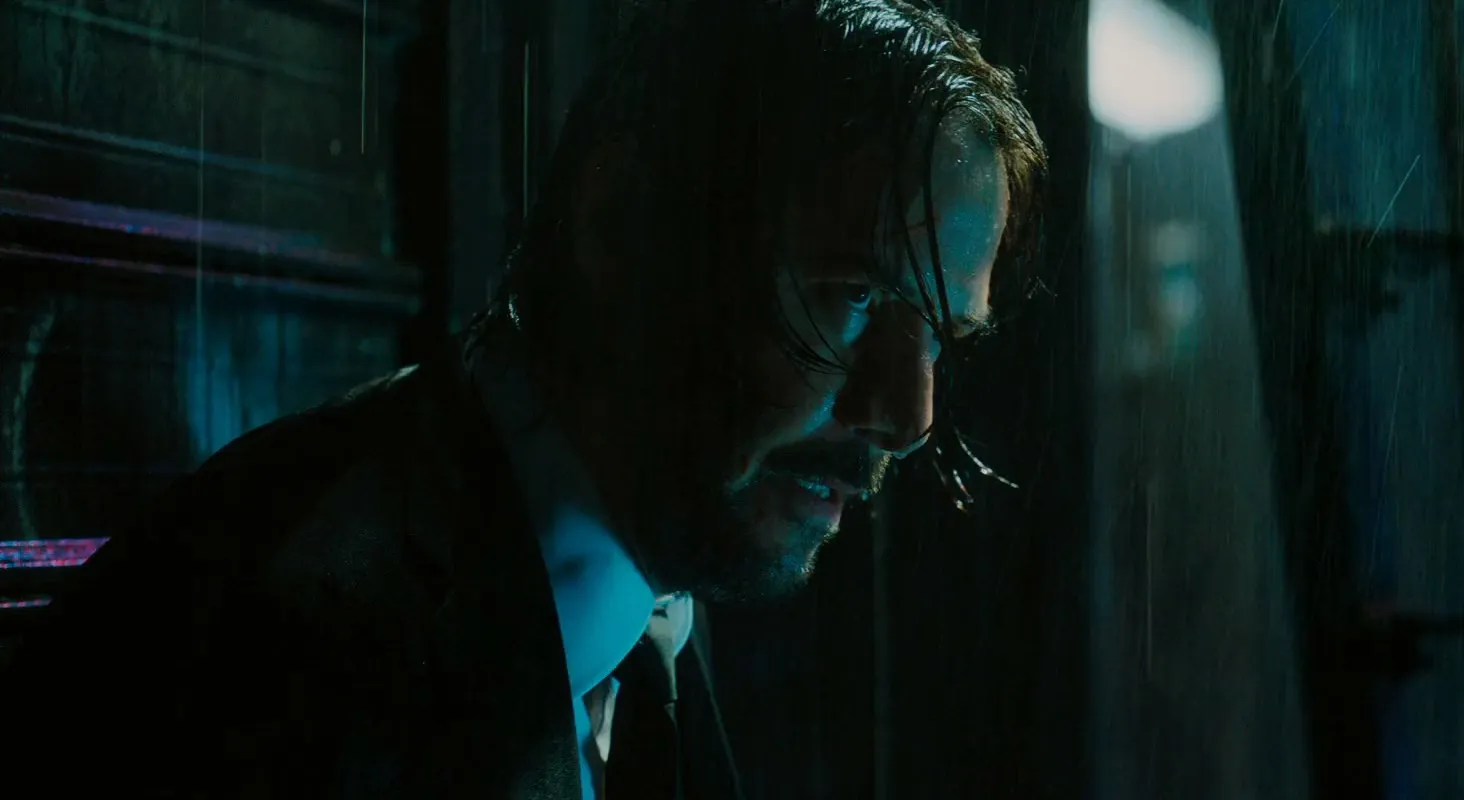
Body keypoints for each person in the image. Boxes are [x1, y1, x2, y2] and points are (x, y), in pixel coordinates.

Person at [0, 1, 1046, 797]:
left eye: (941, 335)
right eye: (854, 295)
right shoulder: (289, 661)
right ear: (621, 230)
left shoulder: (631, 591)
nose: (910, 414)